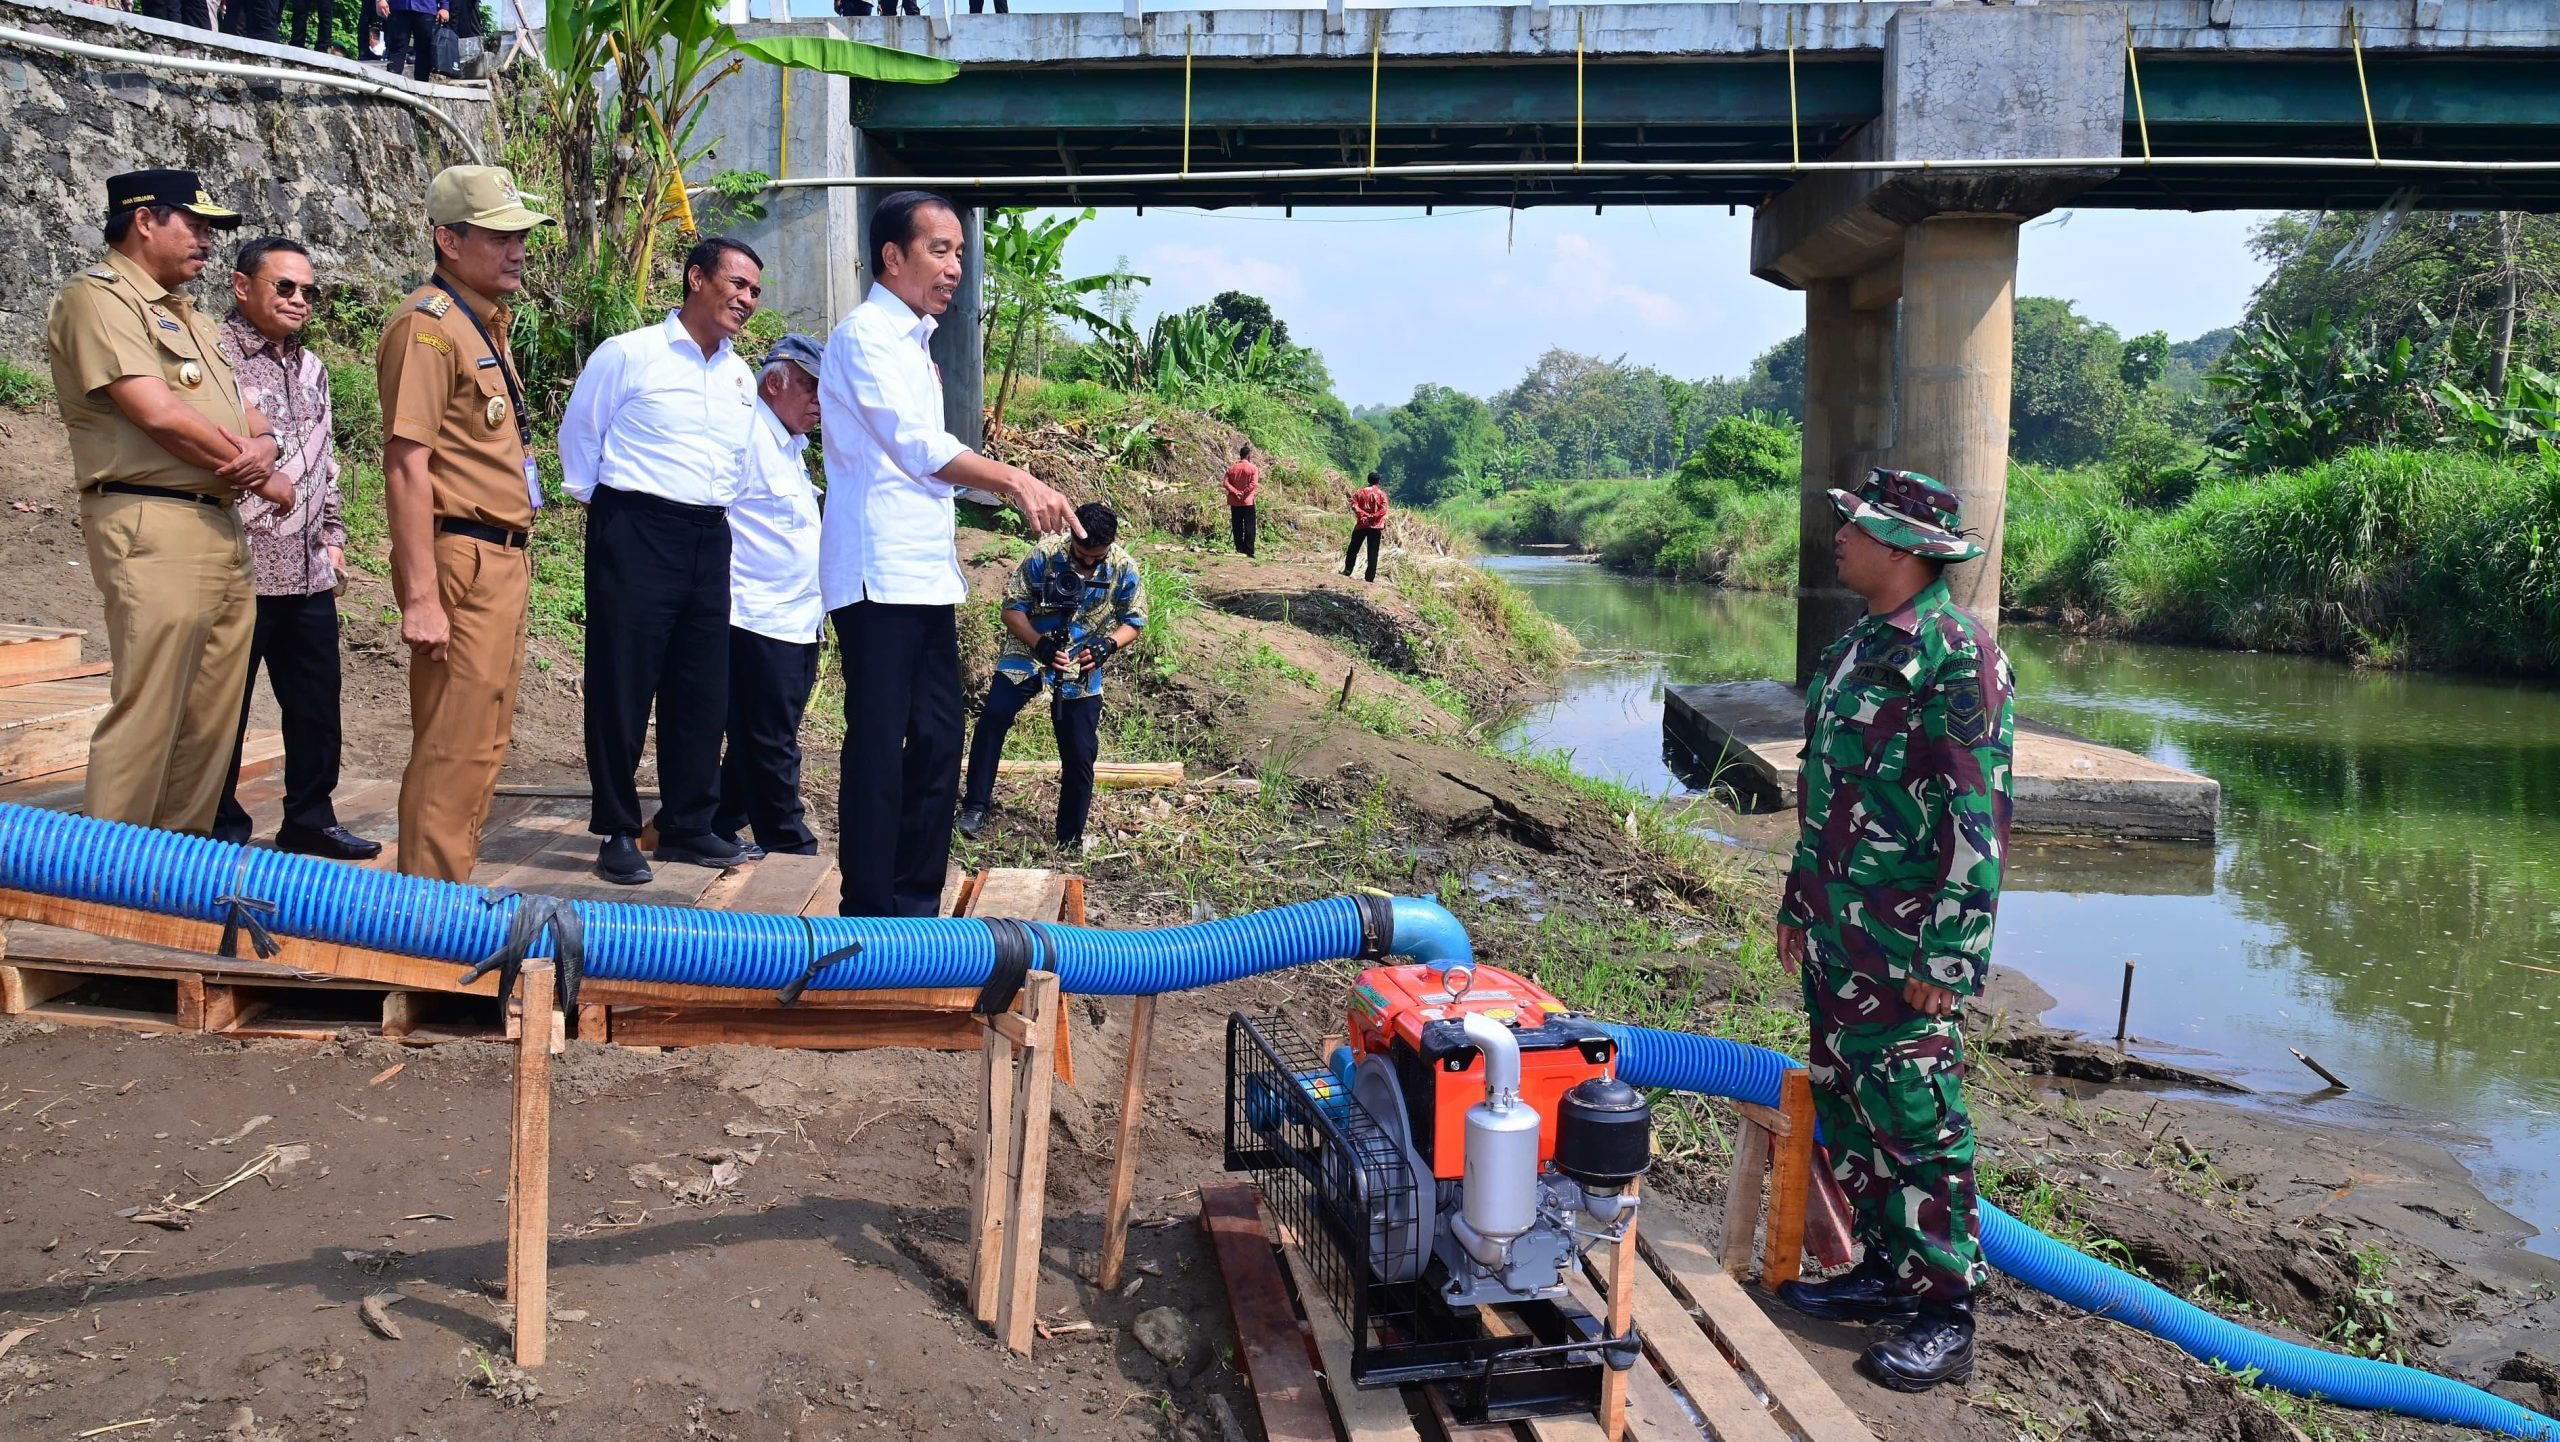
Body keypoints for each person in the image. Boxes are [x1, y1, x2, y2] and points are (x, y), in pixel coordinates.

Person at [1772, 467, 2015, 1394]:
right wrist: (1802, 898)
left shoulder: (1958, 656)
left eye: (1858, 528)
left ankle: (1945, 1311)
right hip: (1841, 933)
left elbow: (1976, 818)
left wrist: (1950, 958)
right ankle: (1885, 1268)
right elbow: (1826, 789)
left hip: (1909, 945)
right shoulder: (1860, 645)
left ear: (1907, 550)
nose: (1841, 537)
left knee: (1918, 1119)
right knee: (1848, 1100)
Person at [817, 187, 1078, 918]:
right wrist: (1012, 477)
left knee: (937, 734)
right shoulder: (865, 335)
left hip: (925, 575)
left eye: (960, 251)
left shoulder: (915, 346)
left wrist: (997, 483)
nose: (955, 266)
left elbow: (927, 463)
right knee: (879, 740)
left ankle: (914, 898)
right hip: (875, 575)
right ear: (893, 256)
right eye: (940, 249)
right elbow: (915, 446)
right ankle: (870, 906)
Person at [46, 170, 294, 835]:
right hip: (150, 517)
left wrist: (263, 451)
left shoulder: (189, 315)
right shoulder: (98, 299)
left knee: (210, 715)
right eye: (196, 224)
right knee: (152, 706)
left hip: (216, 522)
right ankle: (104, 872)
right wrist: (256, 468)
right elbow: (155, 413)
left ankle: (172, 872)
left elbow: (251, 416)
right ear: (144, 220)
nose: (209, 241)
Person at [559, 237, 763, 885]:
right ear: (696, 278)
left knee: (702, 686)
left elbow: (736, 465)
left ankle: (687, 823)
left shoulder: (739, 374)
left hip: (709, 535)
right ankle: (618, 828)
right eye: (736, 284)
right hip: (636, 527)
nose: (746, 299)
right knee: (624, 681)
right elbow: (580, 435)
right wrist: (611, 515)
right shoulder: (630, 353)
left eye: (755, 291)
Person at [375, 165, 553, 883]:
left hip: (502, 557)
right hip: (462, 558)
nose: (516, 250)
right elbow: (405, 465)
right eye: (498, 236)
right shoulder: (429, 329)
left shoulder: (482, 323)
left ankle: (446, 899)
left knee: (483, 740)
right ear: (448, 240)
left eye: (520, 236)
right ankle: (428, 919)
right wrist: (421, 597)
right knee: (453, 743)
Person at [208, 236, 381, 860]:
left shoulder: (313, 368)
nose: (300, 300)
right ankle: (217, 822)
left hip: (307, 569)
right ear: (241, 286)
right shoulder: (213, 354)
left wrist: (333, 539)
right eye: (285, 287)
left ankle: (310, 817)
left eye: (309, 290)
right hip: (236, 566)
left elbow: (325, 464)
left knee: (315, 706)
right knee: (223, 707)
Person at [957, 502, 1146, 851]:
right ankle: (974, 807)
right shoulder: (1045, 554)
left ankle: (1069, 836)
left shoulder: (1123, 566)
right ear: (1072, 537)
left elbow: (1134, 620)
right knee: (993, 718)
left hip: (1082, 659)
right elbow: (1011, 609)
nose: (1087, 564)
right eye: (1080, 556)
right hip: (1028, 648)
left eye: (1096, 558)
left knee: (1081, 749)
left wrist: (1108, 645)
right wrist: (1039, 645)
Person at [712, 333, 827, 861]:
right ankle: (787, 839)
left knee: (762, 734)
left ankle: (721, 817)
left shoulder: (790, 446)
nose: (819, 403)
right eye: (809, 387)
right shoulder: (748, 437)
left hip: (798, 617)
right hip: (758, 615)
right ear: (774, 382)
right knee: (771, 738)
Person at [377, 0, 446, 81]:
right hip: (400, 7)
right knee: (397, 47)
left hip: (425, 7)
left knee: (425, 51)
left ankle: (422, 87)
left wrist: (444, 6)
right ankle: (392, 83)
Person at [1342, 471, 1388, 582]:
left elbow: (1353, 505)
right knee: (1373, 552)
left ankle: (1348, 570)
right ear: (1378, 482)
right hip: (1376, 527)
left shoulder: (1360, 492)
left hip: (1362, 525)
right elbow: (1383, 510)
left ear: (1368, 480)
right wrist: (1373, 516)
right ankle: (1369, 578)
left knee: (1353, 549)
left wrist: (1363, 515)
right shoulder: (1382, 494)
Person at [1222, 442, 1259, 558]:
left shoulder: (1232, 468)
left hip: (1235, 502)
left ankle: (1239, 548)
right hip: (1247, 502)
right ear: (1248, 456)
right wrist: (1244, 493)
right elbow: (1253, 484)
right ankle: (1249, 550)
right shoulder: (1253, 468)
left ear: (1240, 455)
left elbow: (1225, 483)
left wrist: (1236, 492)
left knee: (1237, 526)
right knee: (1249, 526)